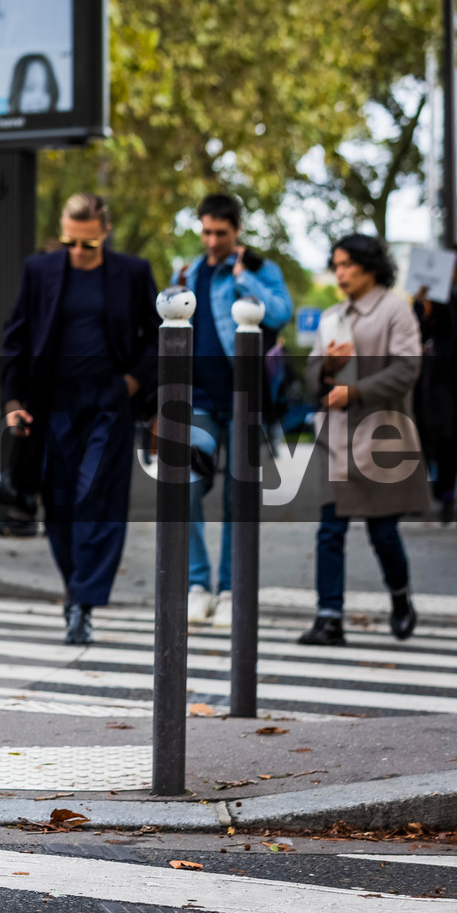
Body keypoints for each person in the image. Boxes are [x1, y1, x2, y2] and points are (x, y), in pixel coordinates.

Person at [1, 193, 159, 644]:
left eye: (87, 244)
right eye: (71, 241)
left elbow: (157, 335)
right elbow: (16, 337)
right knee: (62, 501)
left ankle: (85, 601)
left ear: (104, 234)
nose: (78, 252)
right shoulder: (41, 271)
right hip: (53, 403)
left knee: (99, 501)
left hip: (110, 402)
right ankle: (76, 590)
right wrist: (13, 399)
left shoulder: (131, 273)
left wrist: (132, 382)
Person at [298, 235, 430, 645]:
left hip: (381, 439)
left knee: (382, 531)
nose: (339, 273)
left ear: (370, 266)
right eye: (335, 264)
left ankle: (401, 598)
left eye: (346, 264)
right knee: (330, 529)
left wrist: (356, 391)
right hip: (336, 438)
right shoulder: (332, 316)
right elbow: (310, 377)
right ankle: (329, 617)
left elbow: (407, 370)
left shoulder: (395, 310)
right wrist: (326, 369)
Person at [172, 194, 292, 629]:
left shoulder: (261, 270)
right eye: (206, 231)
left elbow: (280, 312)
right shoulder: (189, 271)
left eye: (220, 233)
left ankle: (229, 590)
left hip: (243, 400)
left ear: (236, 231)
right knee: (184, 490)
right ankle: (196, 585)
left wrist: (245, 278)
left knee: (235, 500)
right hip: (197, 400)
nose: (212, 240)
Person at [413, 258, 457, 523]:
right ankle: (444, 496)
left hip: (449, 385)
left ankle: (447, 496)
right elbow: (418, 334)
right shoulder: (431, 303)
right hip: (439, 388)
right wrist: (426, 308)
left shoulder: (454, 302)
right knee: (443, 443)